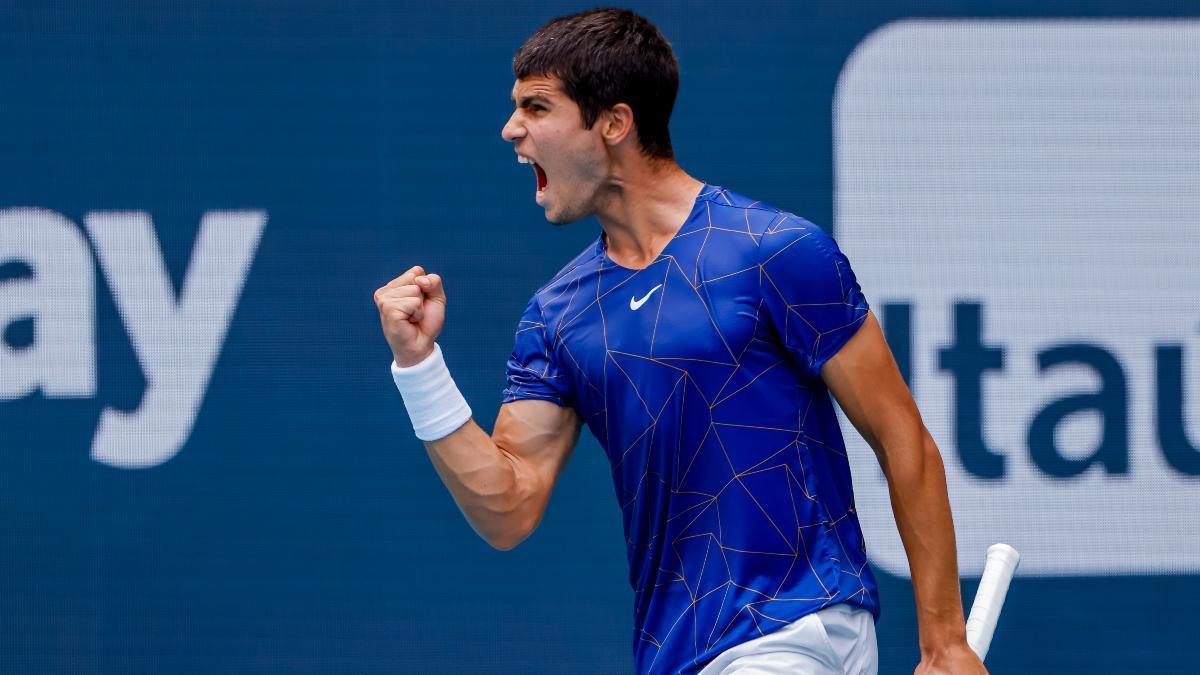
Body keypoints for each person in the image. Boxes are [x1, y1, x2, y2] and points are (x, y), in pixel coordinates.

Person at [374, 8, 987, 675]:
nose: (511, 129)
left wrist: (944, 641)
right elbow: (508, 507)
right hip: (682, 652)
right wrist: (419, 366)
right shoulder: (557, 316)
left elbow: (904, 437)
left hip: (797, 627)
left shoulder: (774, 252)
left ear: (613, 122)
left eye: (537, 107)